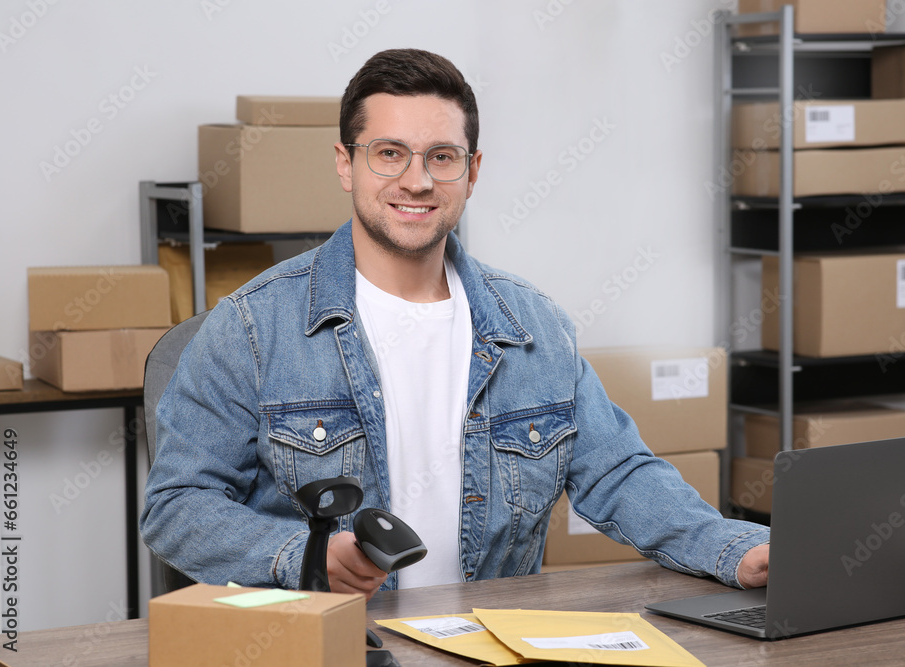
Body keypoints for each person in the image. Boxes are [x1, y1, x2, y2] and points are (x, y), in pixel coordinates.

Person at [140, 48, 769, 600]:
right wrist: (301, 557)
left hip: (486, 641)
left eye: (442, 156)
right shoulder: (252, 327)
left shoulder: (533, 326)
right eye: (389, 153)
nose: (417, 180)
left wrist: (732, 549)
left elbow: (616, 472)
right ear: (345, 163)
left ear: (471, 171)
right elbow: (176, 509)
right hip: (328, 642)